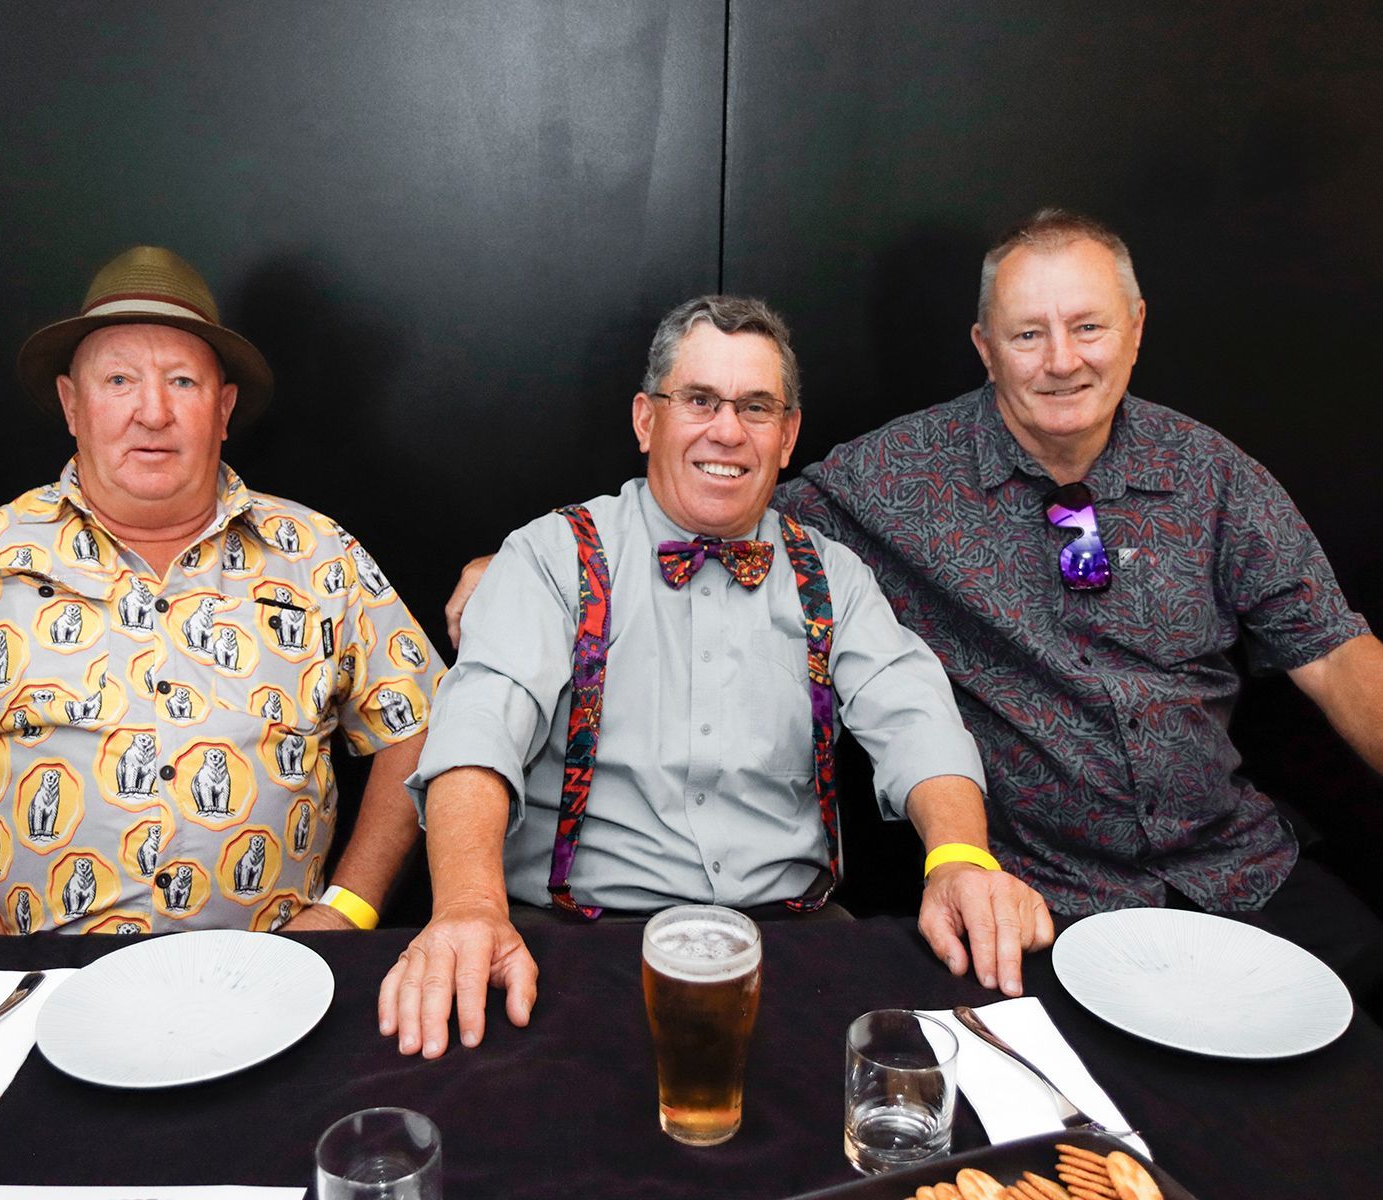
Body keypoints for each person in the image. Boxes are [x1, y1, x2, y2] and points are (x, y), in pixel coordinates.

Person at [771, 209, 1383, 961]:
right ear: (985, 350)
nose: (1062, 361)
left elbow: (1332, 650)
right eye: (1029, 335)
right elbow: (734, 530)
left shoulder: (1212, 475)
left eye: (1088, 327)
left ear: (1136, 329)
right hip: (1042, 902)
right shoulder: (892, 478)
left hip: (1239, 872)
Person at [380, 296, 1053, 1060]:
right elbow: (479, 728)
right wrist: (469, 906)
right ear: (645, 419)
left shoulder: (832, 575)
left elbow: (916, 718)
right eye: (699, 400)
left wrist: (960, 859)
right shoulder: (550, 554)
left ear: (788, 434)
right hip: (575, 941)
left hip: (795, 942)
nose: (727, 431)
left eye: (756, 407)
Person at [0, 246, 442, 936]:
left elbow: (420, 724)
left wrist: (350, 906)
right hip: (31, 991)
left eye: (182, 382)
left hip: (270, 986)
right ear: (71, 404)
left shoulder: (319, 554)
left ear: (224, 408)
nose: (152, 412)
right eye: (119, 380)